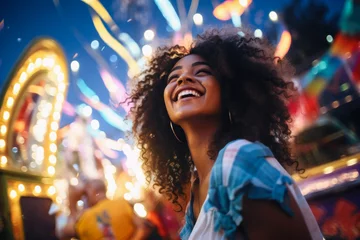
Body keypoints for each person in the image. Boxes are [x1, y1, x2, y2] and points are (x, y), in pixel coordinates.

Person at [128, 28, 323, 240]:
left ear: (229, 92)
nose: (183, 79)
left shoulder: (239, 161)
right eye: (173, 78)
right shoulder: (196, 191)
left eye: (201, 71)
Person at [59, 179, 153, 240]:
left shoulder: (86, 217)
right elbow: (143, 228)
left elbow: (63, 233)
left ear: (94, 192)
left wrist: (72, 203)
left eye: (86, 195)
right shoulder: (122, 203)